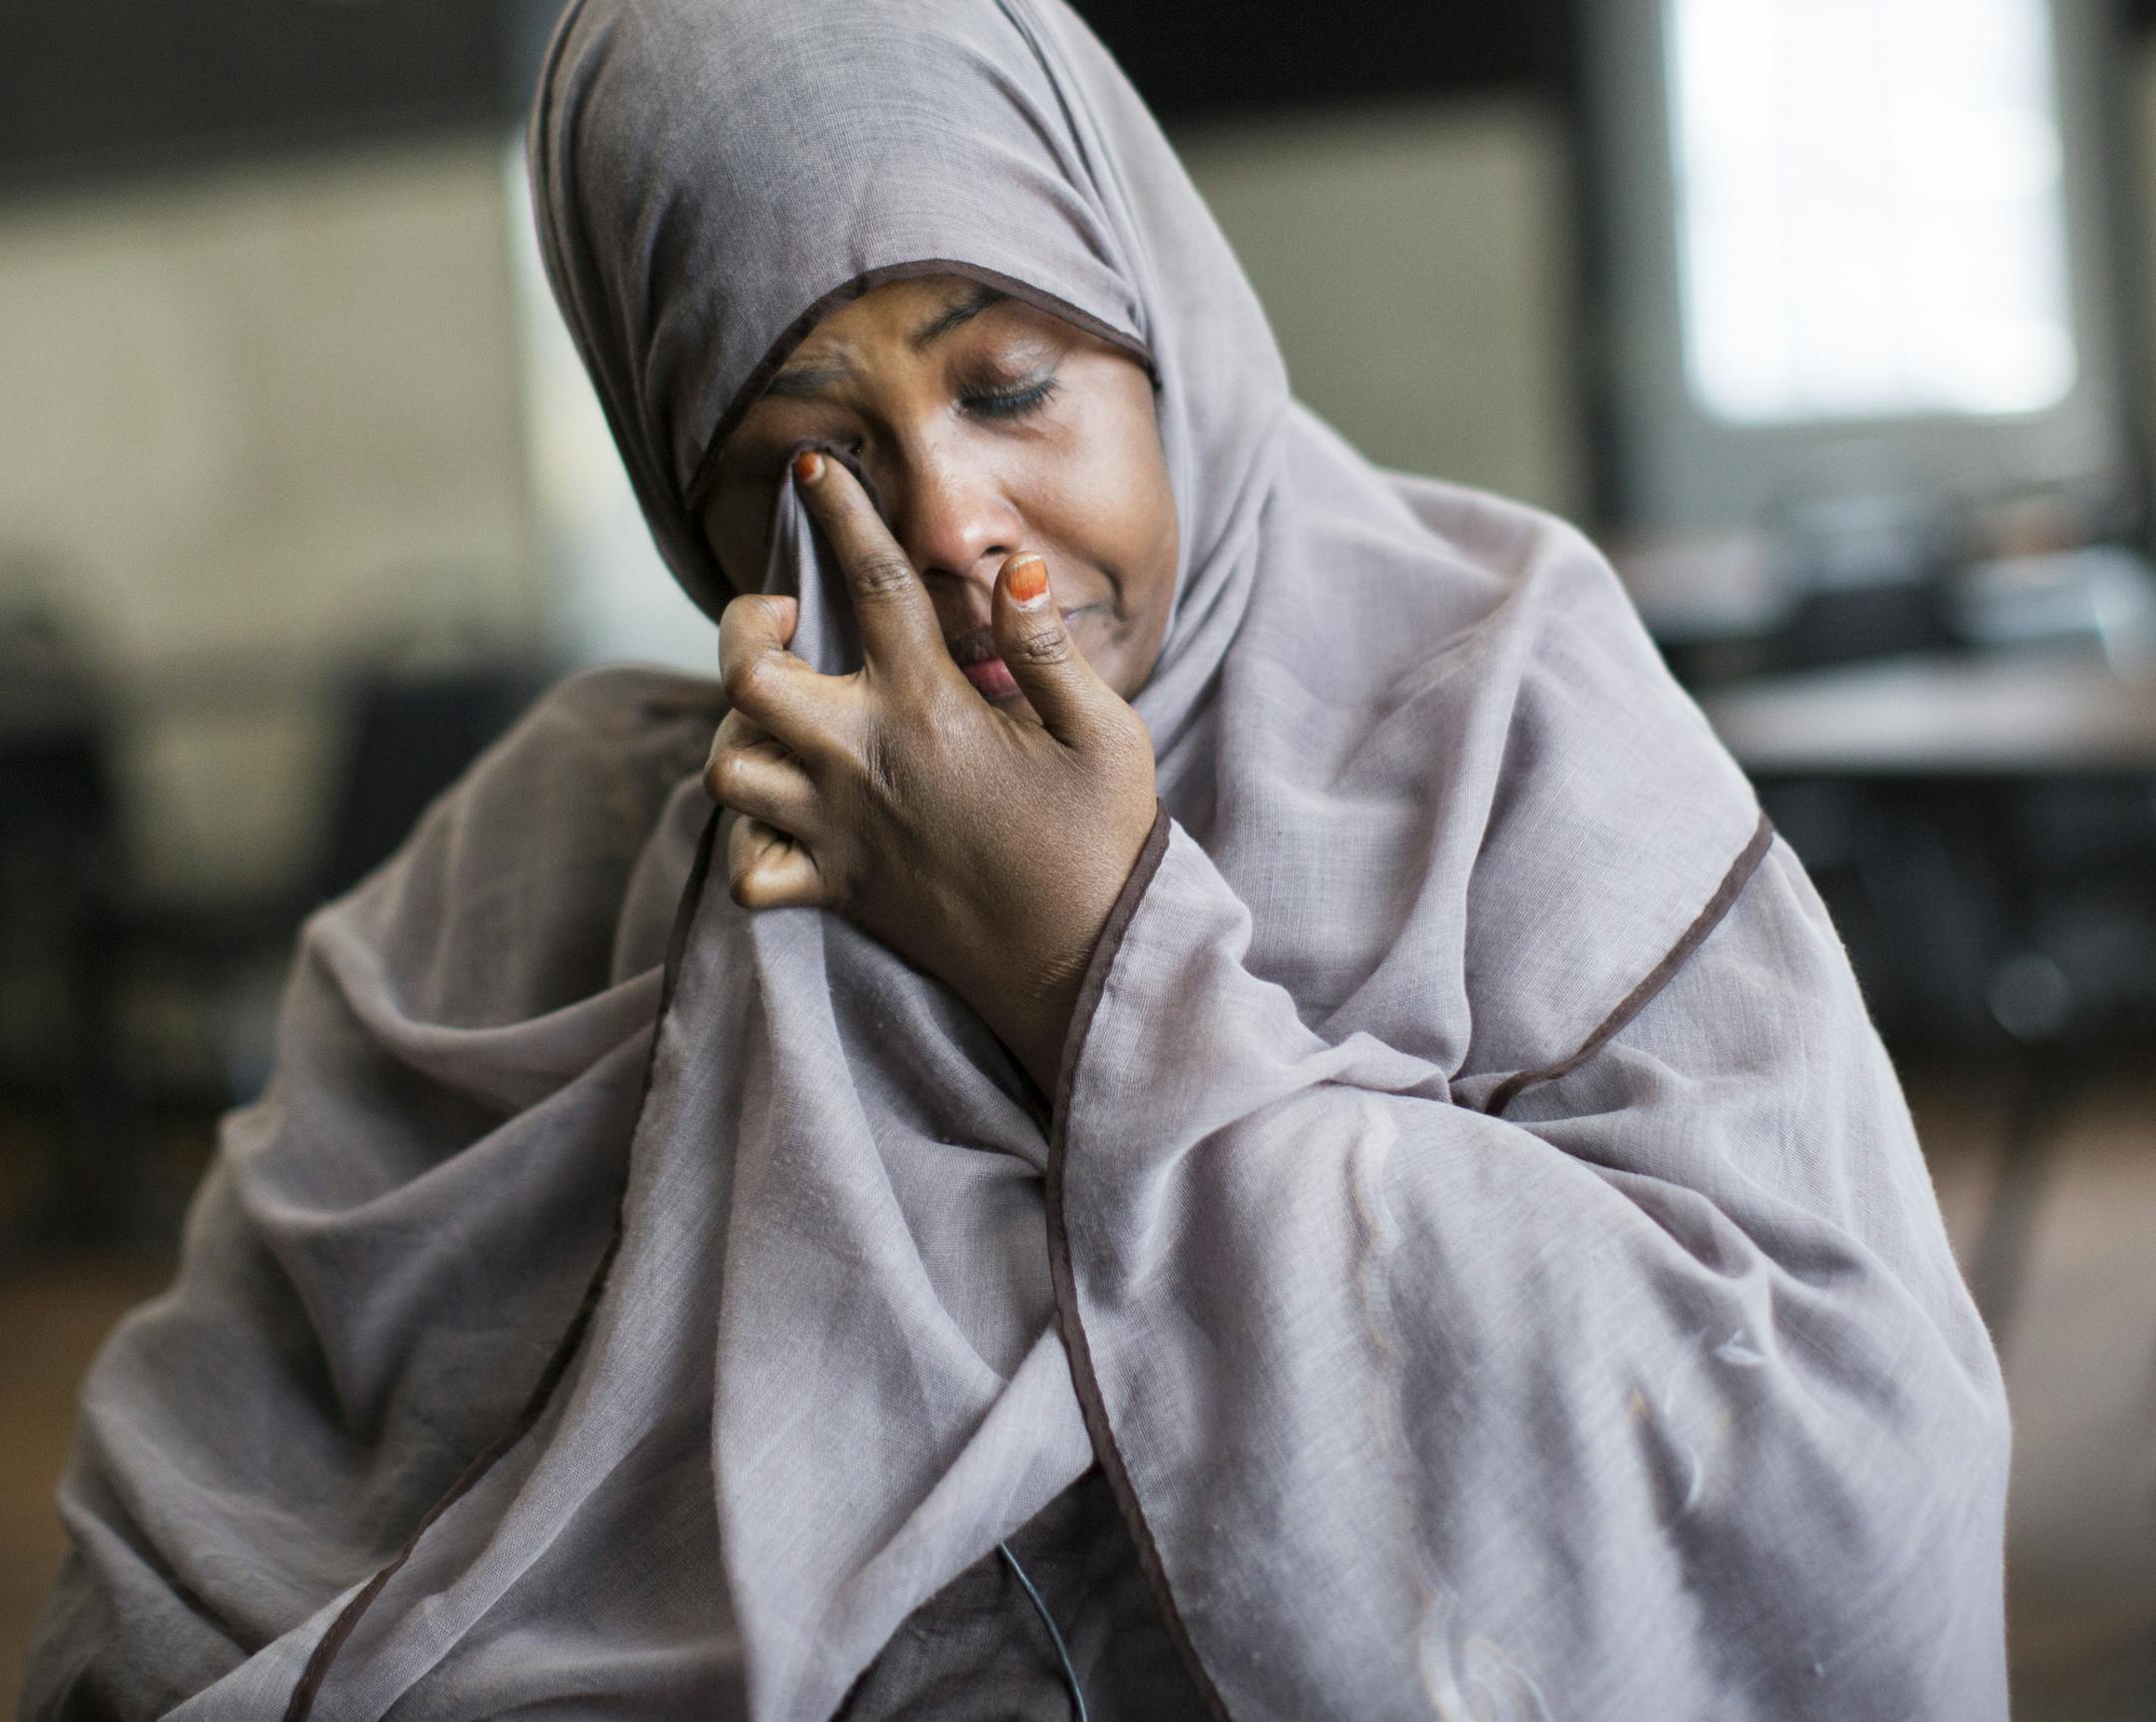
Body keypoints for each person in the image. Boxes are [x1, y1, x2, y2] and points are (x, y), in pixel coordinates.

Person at [22, 0, 2012, 1716]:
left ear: (1160, 327)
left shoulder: (1490, 703)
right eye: (810, 469)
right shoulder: (537, 883)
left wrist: (1092, 961)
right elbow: (189, 1574)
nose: (962, 526)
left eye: (1012, 383)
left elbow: (1836, 1476)